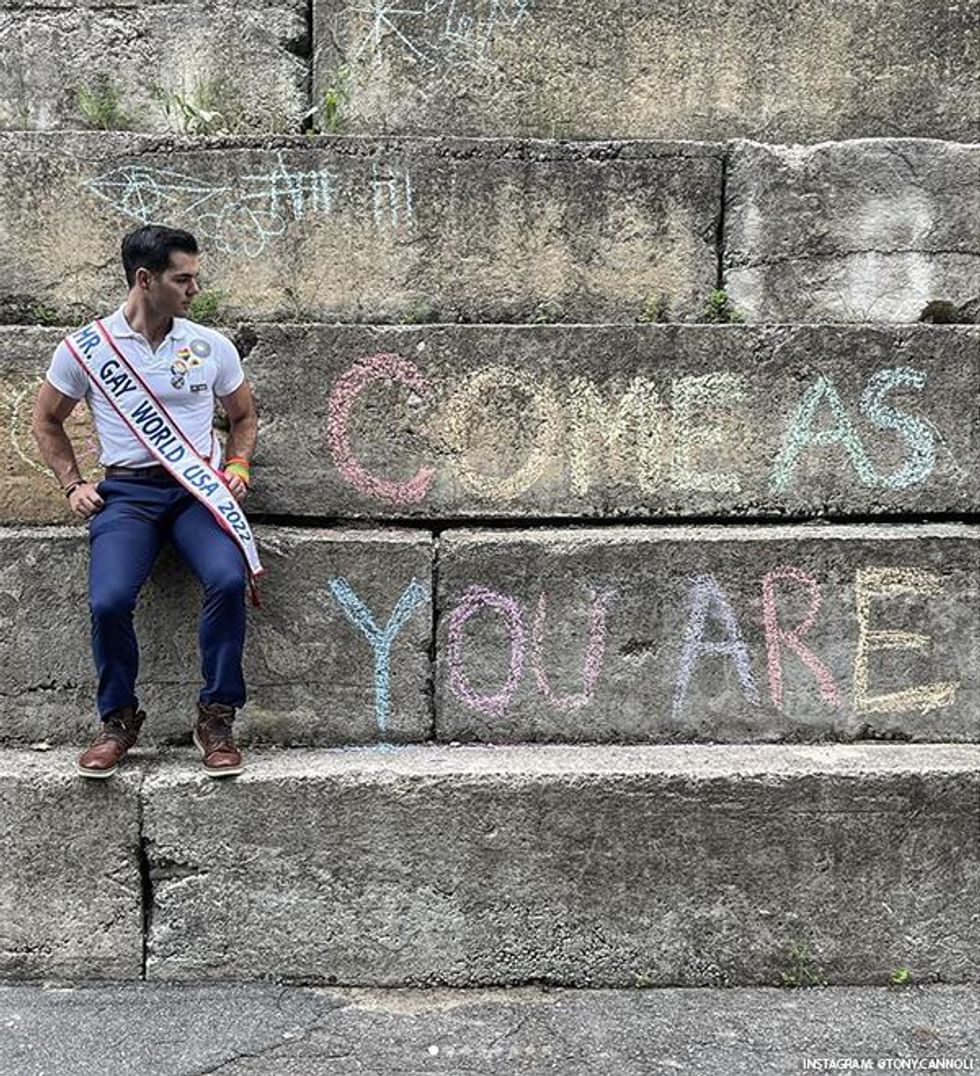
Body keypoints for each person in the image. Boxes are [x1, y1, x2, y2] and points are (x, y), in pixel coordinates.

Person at [31, 224, 258, 779]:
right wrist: (72, 483)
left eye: (194, 278)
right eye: (183, 279)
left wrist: (237, 464)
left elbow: (244, 416)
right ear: (144, 279)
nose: (194, 289)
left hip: (193, 492)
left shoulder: (210, 345)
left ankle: (216, 716)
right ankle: (117, 720)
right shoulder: (86, 349)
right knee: (108, 601)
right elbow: (46, 420)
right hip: (127, 494)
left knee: (228, 580)